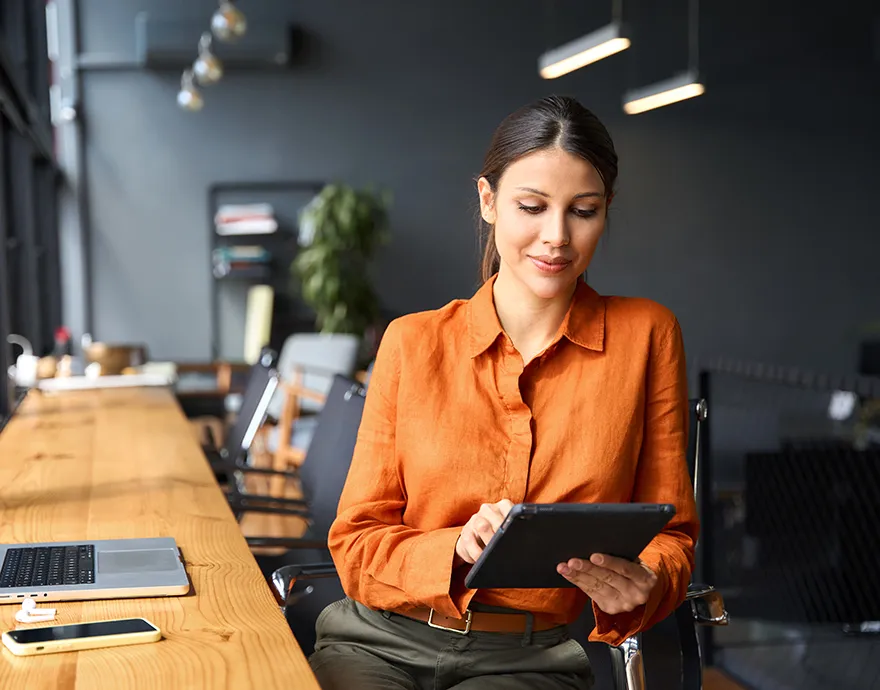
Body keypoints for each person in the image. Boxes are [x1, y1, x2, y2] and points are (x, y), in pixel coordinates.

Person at [309, 95, 699, 689]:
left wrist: (646, 579)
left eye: (583, 211)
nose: (556, 237)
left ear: (606, 210)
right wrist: (456, 548)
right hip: (377, 643)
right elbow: (356, 541)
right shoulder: (412, 343)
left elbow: (673, 537)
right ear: (489, 202)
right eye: (532, 207)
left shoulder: (647, 336)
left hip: (529, 660)